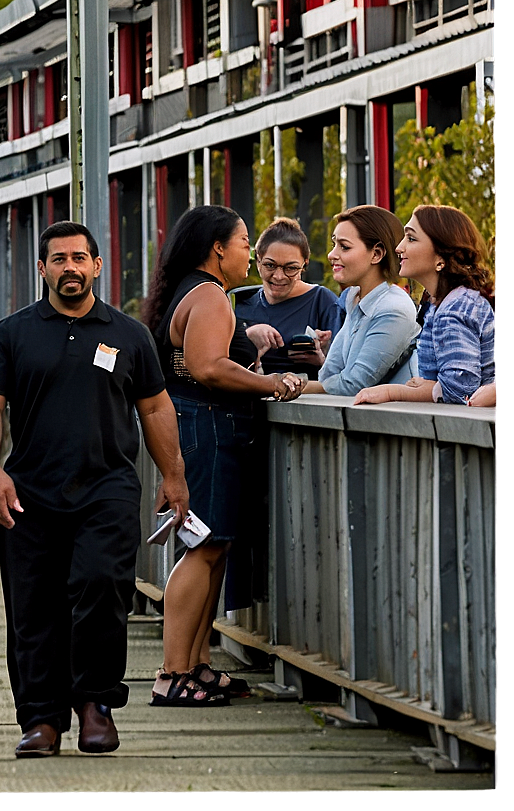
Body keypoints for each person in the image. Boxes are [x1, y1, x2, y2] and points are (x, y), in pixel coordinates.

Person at [0, 221, 189, 758]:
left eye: (79, 258)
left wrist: (174, 474)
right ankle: (41, 719)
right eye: (58, 259)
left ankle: (95, 705)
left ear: (96, 266)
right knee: (33, 606)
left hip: (107, 487)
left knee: (101, 586)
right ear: (42, 269)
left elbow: (156, 407)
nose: (70, 267)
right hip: (30, 491)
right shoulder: (13, 334)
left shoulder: (128, 334)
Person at [142, 205, 305, 708]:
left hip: (202, 423)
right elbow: (207, 367)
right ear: (218, 248)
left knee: (213, 546)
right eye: (243, 243)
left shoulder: (190, 291)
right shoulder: (210, 294)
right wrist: (270, 382)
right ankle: (172, 674)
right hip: (208, 423)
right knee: (204, 547)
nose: (248, 254)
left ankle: (197, 665)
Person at [353, 204, 495, 406]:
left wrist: (392, 391)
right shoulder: (440, 304)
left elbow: (460, 391)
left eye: (411, 238)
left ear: (441, 257)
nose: (399, 247)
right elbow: (439, 383)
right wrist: (429, 385)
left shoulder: (456, 308)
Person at [302, 205, 420, 395]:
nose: (332, 255)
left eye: (344, 247)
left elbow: (354, 384)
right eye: (334, 244)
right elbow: (329, 374)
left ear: (376, 254)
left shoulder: (393, 308)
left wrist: (293, 386)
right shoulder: (355, 299)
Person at [233, 217, 344, 380]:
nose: (278, 276)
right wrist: (247, 336)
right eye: (270, 265)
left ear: (304, 265)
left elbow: (346, 375)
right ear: (258, 260)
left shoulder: (322, 301)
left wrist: (322, 360)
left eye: (290, 268)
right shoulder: (239, 301)